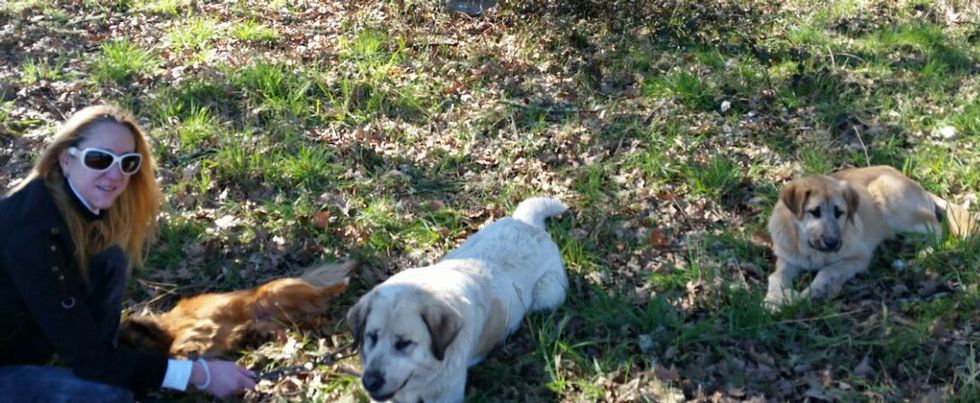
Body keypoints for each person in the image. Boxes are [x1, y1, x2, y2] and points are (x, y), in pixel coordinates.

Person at [0, 105, 257, 401]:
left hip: (19, 341)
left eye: (128, 163)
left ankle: (106, 364)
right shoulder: (28, 230)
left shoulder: (70, 208)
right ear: (66, 159)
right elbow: (88, 359)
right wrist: (198, 375)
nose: (115, 174)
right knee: (108, 396)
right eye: (100, 159)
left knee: (109, 261)